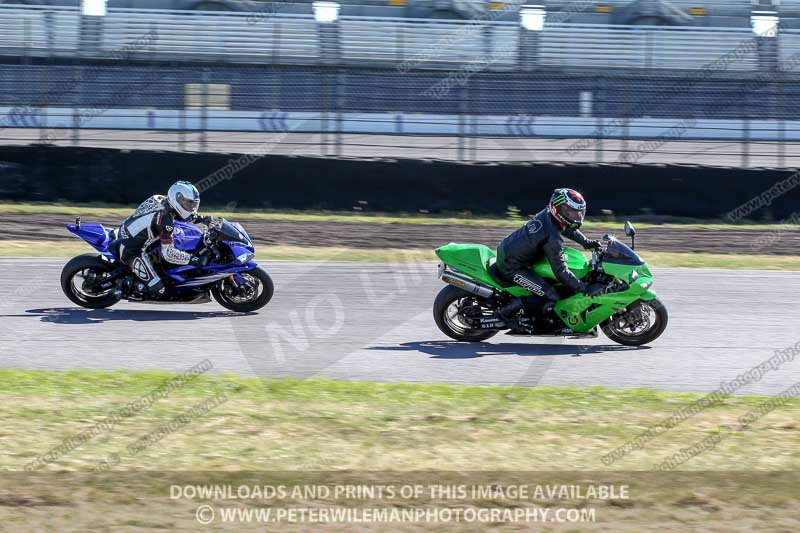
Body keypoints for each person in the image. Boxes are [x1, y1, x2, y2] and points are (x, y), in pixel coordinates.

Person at [495, 188, 604, 325]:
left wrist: (586, 243)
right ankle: (504, 313)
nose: (575, 216)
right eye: (570, 211)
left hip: (511, 250)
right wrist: (583, 288)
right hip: (512, 266)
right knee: (551, 294)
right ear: (557, 209)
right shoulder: (552, 238)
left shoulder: (550, 215)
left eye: (578, 212)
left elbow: (567, 229)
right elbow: (560, 271)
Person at [115, 181, 212, 297]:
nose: (191, 208)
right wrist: (194, 259)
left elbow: (182, 215)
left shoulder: (162, 200)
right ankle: (131, 288)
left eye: (193, 205)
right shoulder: (165, 219)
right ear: (177, 200)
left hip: (133, 233)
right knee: (159, 290)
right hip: (132, 249)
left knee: (180, 234)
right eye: (188, 204)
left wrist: (202, 219)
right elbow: (168, 254)